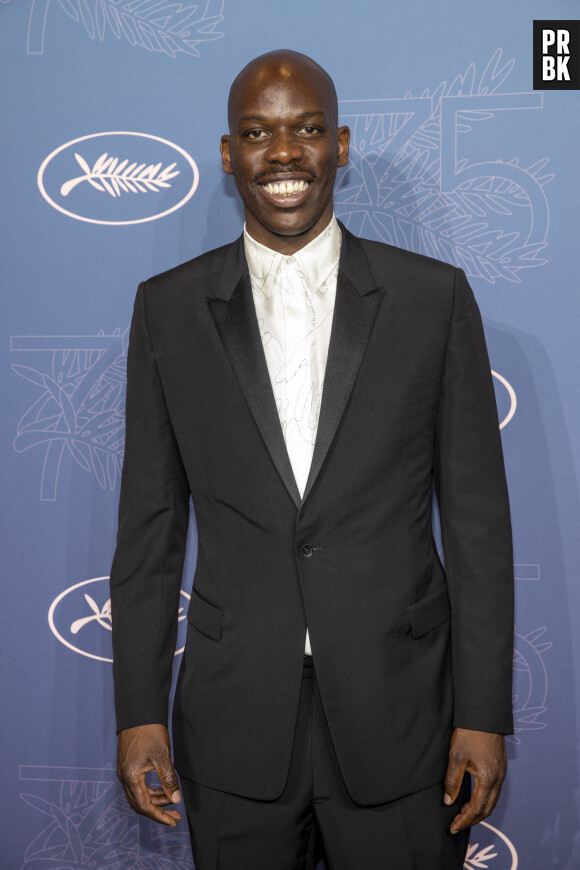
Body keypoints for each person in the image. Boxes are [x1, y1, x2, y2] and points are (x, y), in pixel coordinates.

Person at [110, 49, 514, 870]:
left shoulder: (433, 300)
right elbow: (149, 527)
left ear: (342, 145)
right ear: (229, 155)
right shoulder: (168, 309)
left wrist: (483, 712)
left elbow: (478, 526)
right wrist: (138, 712)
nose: (284, 153)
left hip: (405, 724)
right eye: (258, 133)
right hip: (232, 727)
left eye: (308, 130)